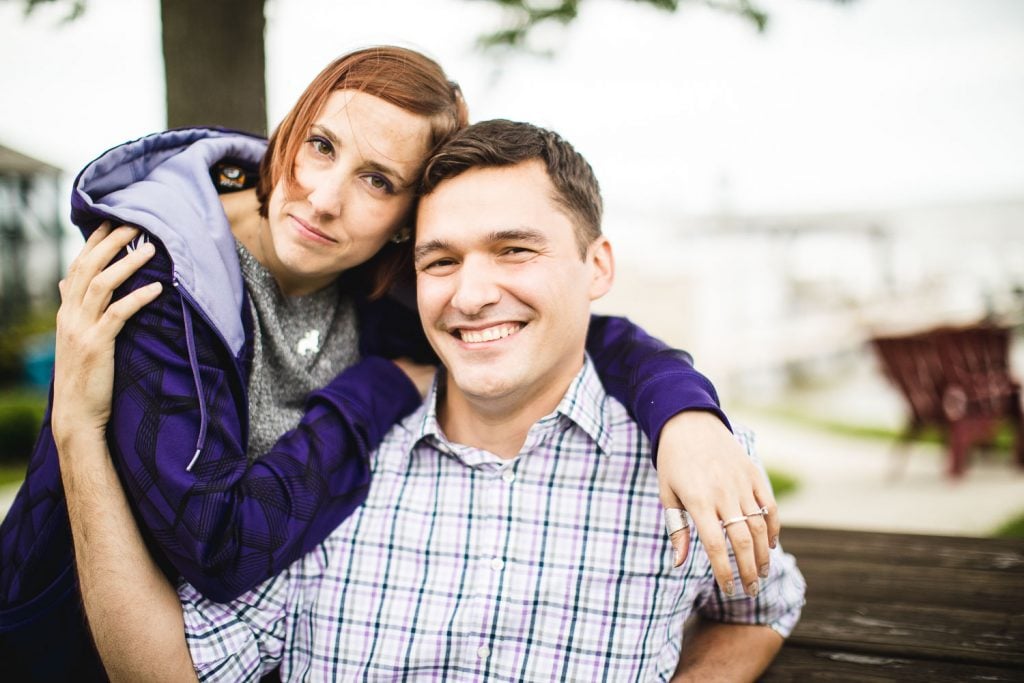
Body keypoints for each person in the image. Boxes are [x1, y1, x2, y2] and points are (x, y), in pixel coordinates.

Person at [0, 47, 776, 679]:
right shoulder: (158, 281)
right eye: (321, 146)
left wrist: (687, 415)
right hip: (68, 643)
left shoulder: (387, 290)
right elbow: (216, 544)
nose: (323, 197)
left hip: (242, 642)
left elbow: (555, 323)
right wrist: (376, 393)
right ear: (291, 130)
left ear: (406, 226)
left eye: (378, 181)